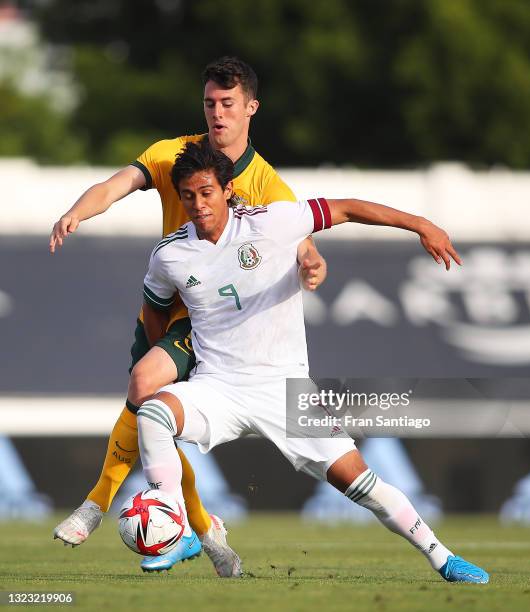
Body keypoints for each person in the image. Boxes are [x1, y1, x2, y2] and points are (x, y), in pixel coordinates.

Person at [135, 139, 489, 583]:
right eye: (187, 195)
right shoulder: (170, 254)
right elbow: (154, 305)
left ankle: (442, 557)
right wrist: (166, 351)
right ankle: (176, 526)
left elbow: (346, 208)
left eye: (206, 192)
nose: (197, 204)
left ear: (227, 190)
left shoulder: (273, 222)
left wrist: (420, 224)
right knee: (154, 412)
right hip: (217, 387)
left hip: (284, 389)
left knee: (360, 483)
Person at [49, 56, 326, 576]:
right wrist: (75, 212)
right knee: (155, 416)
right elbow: (114, 185)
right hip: (161, 308)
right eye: (209, 104)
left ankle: (96, 504)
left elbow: (303, 244)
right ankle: (205, 533)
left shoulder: (267, 184)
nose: (217, 114)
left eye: (227, 104)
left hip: (211, 322)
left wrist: (311, 263)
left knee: (143, 383)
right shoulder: (171, 154)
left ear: (250, 109)